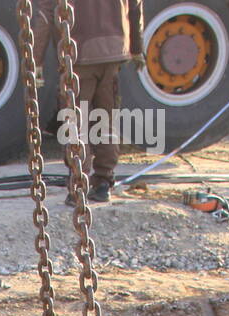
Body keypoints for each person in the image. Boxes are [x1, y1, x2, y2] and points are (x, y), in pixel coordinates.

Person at [34, 0, 145, 203]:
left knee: (76, 124)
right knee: (105, 119)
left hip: (78, 54)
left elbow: (45, 14)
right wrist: (137, 48)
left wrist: (36, 60)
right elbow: (135, 7)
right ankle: (103, 183)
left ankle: (78, 186)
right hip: (113, 51)